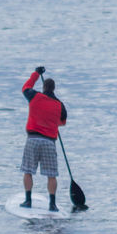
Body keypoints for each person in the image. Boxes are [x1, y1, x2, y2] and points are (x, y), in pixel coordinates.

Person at [19, 66, 67, 211]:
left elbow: (25, 87)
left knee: (28, 171)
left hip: (33, 140)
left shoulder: (34, 96)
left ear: (44, 87)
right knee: (51, 175)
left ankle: (28, 201)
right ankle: (52, 204)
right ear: (54, 89)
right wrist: (51, 121)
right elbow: (62, 122)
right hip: (49, 142)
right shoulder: (60, 105)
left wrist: (36, 74)